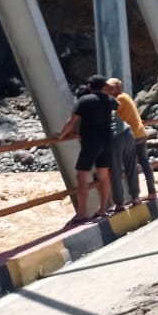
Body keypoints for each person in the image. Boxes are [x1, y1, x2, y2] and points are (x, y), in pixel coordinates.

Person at [56, 75, 119, 222]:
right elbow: (117, 106)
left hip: (91, 141)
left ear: (90, 87)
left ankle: (81, 212)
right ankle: (103, 209)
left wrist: (61, 136)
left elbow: (72, 122)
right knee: (103, 176)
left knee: (82, 176)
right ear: (104, 86)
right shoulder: (109, 100)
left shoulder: (84, 100)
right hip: (107, 139)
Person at [107, 77, 155, 203]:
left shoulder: (119, 99)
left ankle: (133, 196)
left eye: (110, 88)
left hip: (133, 135)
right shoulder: (126, 96)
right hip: (140, 132)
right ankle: (151, 191)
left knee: (131, 166)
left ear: (117, 88)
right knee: (144, 163)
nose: (108, 90)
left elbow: (109, 113)